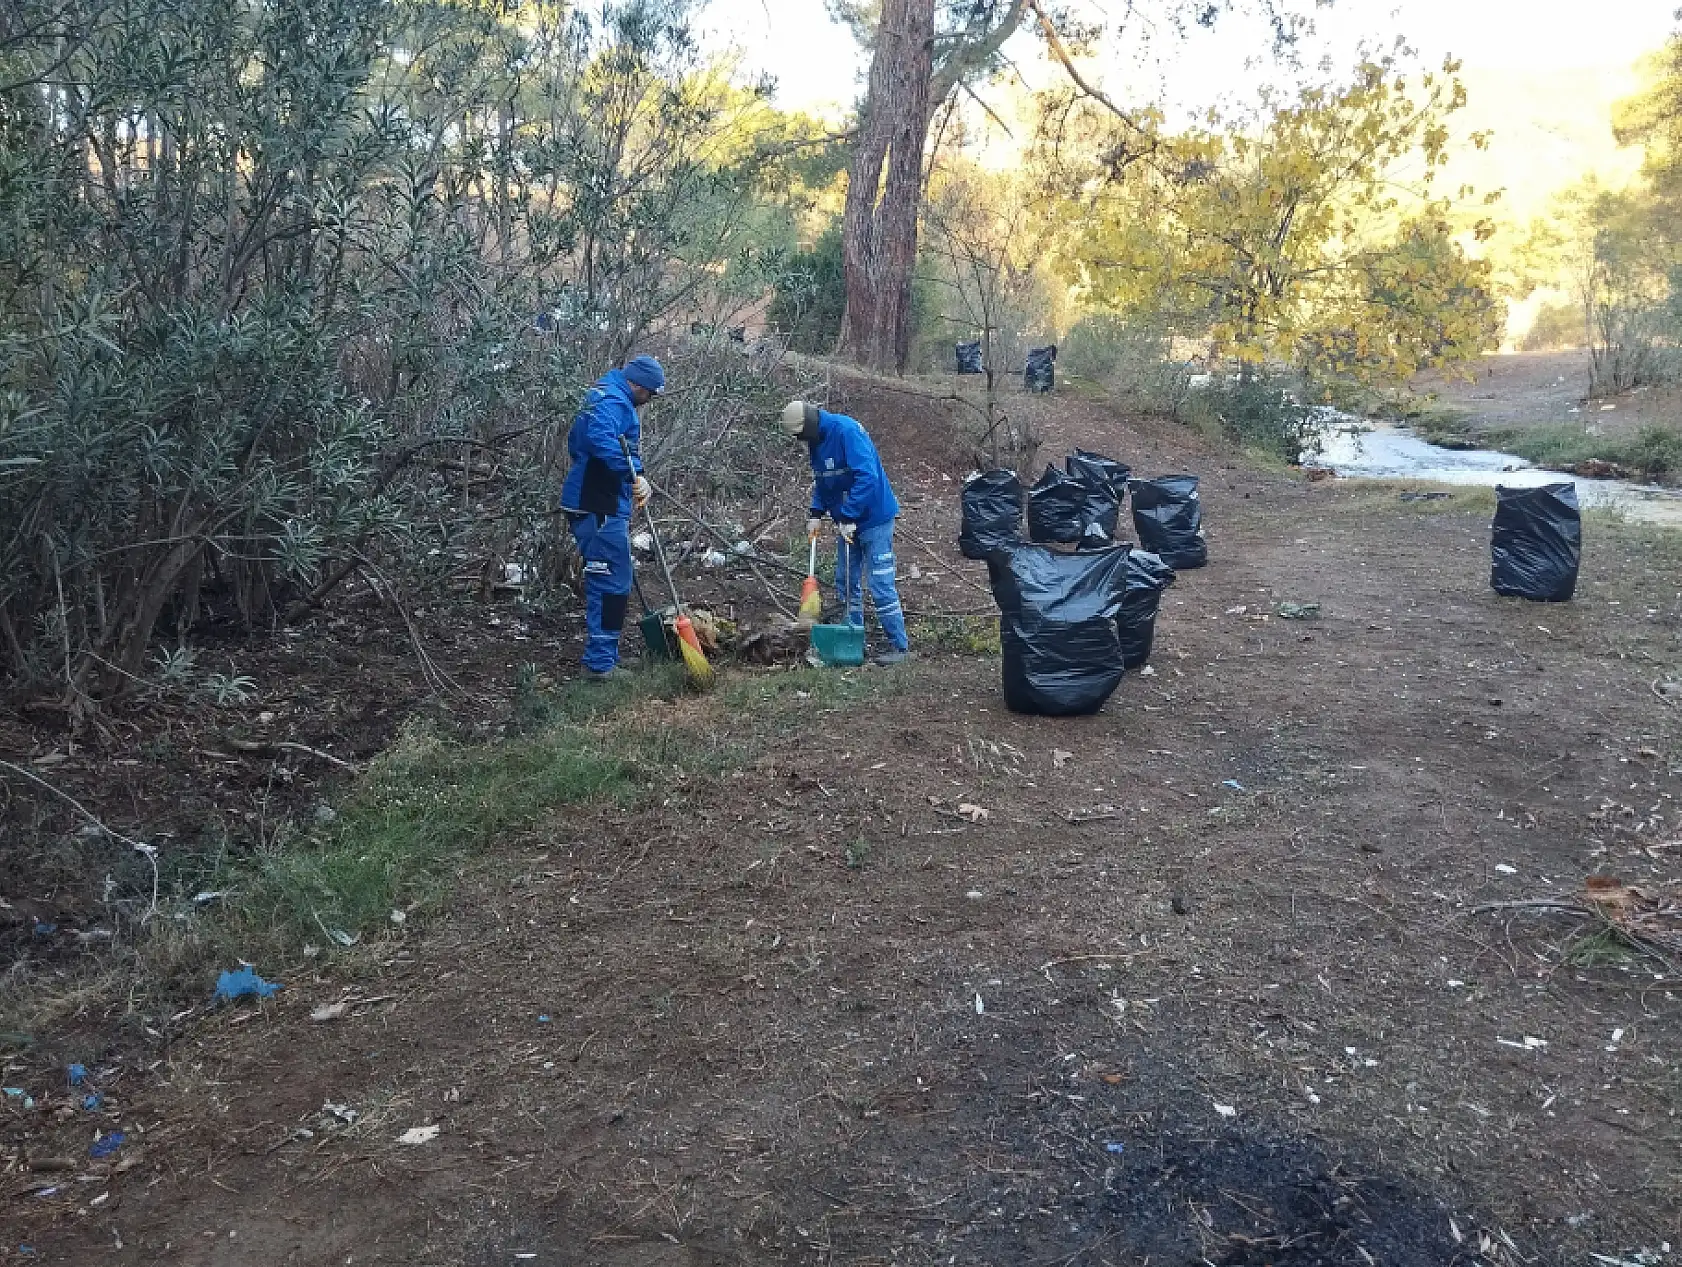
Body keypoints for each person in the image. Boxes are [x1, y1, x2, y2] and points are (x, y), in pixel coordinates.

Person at [780, 400, 910, 666]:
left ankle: (900, 646)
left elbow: (867, 477)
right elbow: (824, 480)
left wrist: (849, 514)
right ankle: (853, 640)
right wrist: (815, 513)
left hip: (874, 519)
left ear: (810, 426)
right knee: (846, 581)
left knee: (880, 583)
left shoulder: (847, 431)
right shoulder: (816, 442)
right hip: (846, 523)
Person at [560, 355, 665, 679]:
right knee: (607, 580)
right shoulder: (611, 401)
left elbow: (596, 445)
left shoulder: (610, 396)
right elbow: (601, 441)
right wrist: (634, 474)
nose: (649, 401)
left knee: (616, 578)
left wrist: (636, 477)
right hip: (597, 503)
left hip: (605, 501)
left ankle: (608, 655)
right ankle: (599, 664)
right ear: (637, 385)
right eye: (649, 394)